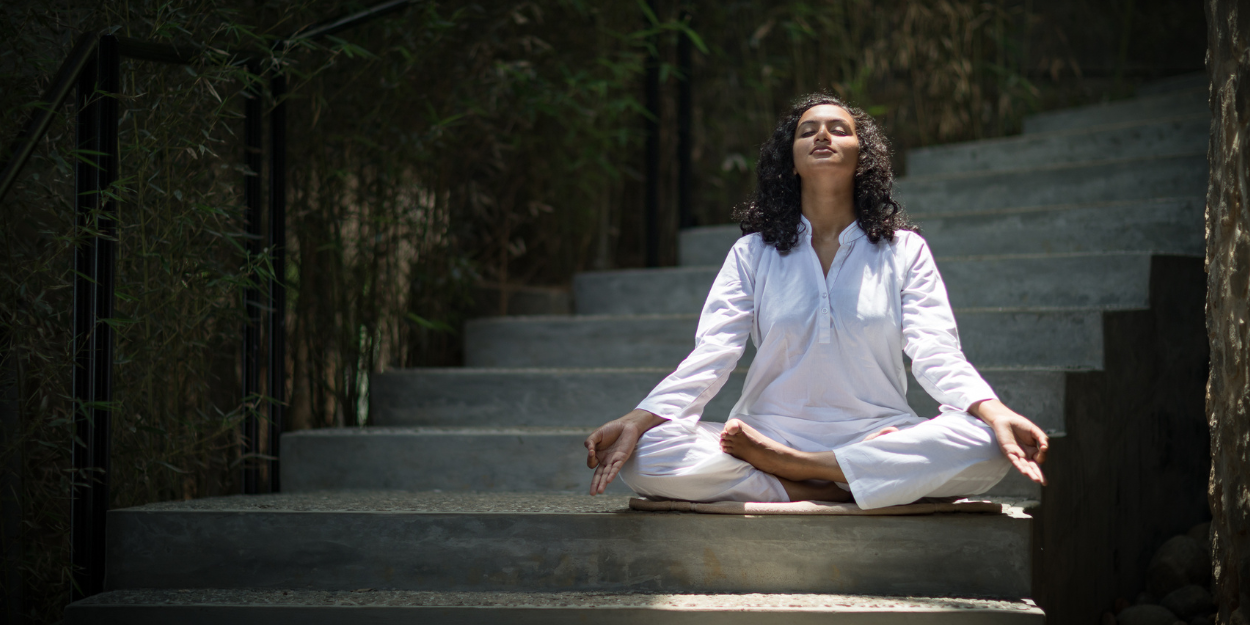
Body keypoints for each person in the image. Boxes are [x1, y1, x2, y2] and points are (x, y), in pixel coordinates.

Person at [584, 94, 1049, 509]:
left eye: (838, 129)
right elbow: (712, 353)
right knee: (646, 456)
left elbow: (936, 351)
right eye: (808, 131)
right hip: (764, 434)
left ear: (862, 158)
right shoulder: (753, 252)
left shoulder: (903, 250)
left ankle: (810, 470)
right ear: (791, 161)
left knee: (986, 445)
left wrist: (993, 410)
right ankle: (836, 484)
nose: (822, 134)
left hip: (876, 431)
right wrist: (640, 418)